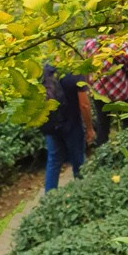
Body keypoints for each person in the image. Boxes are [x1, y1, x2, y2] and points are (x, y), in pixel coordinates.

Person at [80, 36, 128, 147]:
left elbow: (86, 68)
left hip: (99, 93)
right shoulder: (120, 44)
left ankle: (102, 154)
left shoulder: (89, 44)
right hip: (120, 92)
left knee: (103, 126)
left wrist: (88, 85)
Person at [40, 62, 86, 191]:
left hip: (52, 126)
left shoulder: (45, 71)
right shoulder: (74, 71)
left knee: (53, 161)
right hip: (72, 125)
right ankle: (83, 192)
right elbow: (84, 105)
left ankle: (49, 198)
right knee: (78, 161)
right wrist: (90, 129)